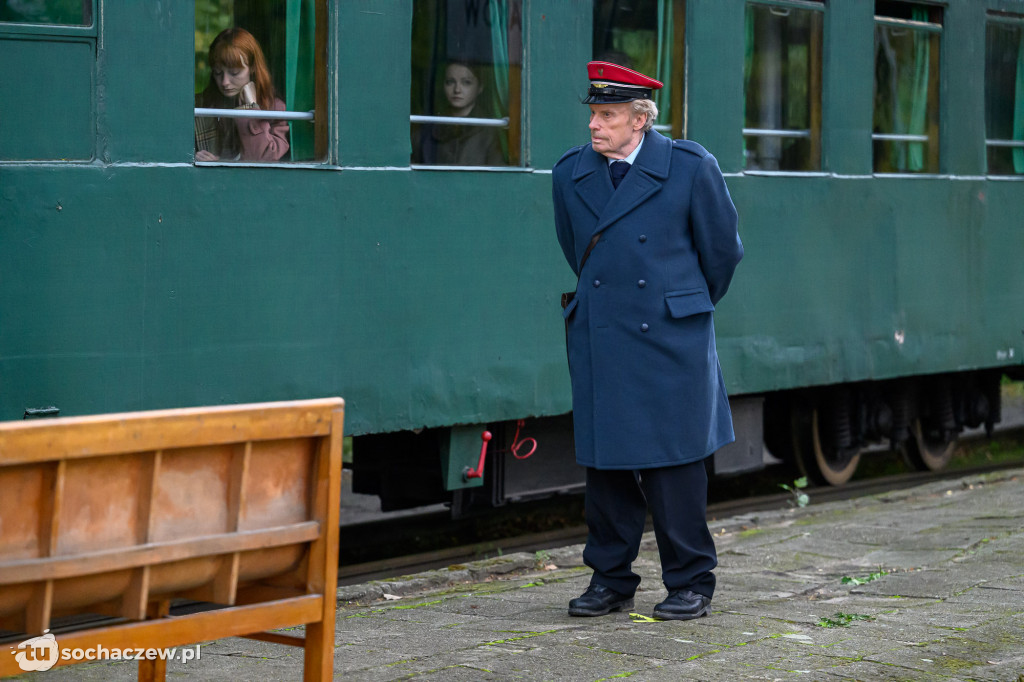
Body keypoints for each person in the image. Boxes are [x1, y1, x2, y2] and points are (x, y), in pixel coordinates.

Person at [552, 62, 743, 620]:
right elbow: (576, 250)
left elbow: (722, 254)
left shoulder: (689, 167)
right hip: (604, 334)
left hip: (669, 338)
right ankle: (610, 580)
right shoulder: (570, 174)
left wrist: (677, 302)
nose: (595, 126)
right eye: (593, 114)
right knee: (606, 466)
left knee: (674, 466)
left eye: (607, 115)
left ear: (640, 120)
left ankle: (691, 582)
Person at [195, 28, 289, 162]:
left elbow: (262, 160)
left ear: (252, 68)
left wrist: (251, 109)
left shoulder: (275, 108)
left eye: (234, 73)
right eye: (217, 72)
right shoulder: (200, 105)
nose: (225, 82)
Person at [415, 61, 504, 166]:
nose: (457, 90)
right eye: (450, 82)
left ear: (480, 87)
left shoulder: (491, 131)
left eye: (466, 82)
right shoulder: (427, 130)